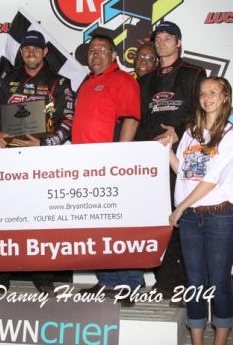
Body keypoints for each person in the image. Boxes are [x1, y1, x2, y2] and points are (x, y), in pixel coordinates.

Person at [0, 30, 75, 297]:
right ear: (21, 52)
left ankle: (44, 280)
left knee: (42, 221)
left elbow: (67, 122)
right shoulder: (8, 81)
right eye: (26, 49)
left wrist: (44, 144)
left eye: (36, 49)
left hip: (42, 161)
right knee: (4, 220)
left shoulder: (58, 83)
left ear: (45, 52)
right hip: (9, 163)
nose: (31, 53)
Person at [161, 77, 233, 345]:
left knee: (218, 283)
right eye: (203, 93)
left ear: (224, 97)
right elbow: (182, 171)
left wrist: (179, 208)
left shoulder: (231, 135)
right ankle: (197, 343)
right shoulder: (192, 130)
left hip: (219, 216)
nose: (207, 98)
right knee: (194, 283)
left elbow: (211, 180)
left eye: (213, 93)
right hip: (192, 219)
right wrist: (168, 149)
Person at [138, 21, 207, 303]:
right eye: (159, 38)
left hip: (185, 158)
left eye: (168, 38)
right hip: (152, 161)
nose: (162, 42)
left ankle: (189, 285)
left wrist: (179, 132)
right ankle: (166, 281)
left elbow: (206, 111)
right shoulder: (144, 81)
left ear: (178, 42)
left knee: (186, 221)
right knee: (160, 220)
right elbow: (139, 120)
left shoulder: (194, 73)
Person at [71, 27, 141, 306]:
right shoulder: (86, 83)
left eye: (101, 50)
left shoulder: (123, 80)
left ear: (113, 54)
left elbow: (131, 119)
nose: (95, 54)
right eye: (91, 50)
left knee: (120, 227)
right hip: (83, 167)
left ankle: (131, 284)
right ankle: (108, 281)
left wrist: (119, 161)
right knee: (96, 227)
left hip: (109, 166)